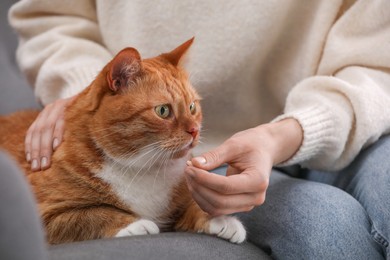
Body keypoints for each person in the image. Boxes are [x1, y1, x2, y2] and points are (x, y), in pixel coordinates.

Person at [8, 0, 390, 258]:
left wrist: (285, 134)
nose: (191, 127)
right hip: (211, 153)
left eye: (193, 108)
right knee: (328, 227)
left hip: (346, 115)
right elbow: (51, 16)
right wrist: (86, 94)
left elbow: (377, 62)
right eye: (167, 112)